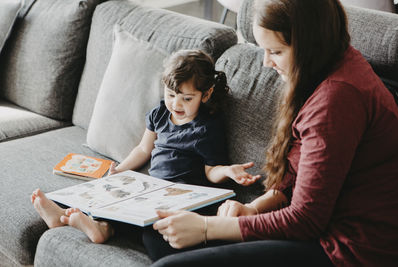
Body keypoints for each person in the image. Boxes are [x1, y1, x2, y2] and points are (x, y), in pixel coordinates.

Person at [146, 0, 398, 266]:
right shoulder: (328, 63)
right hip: (319, 230)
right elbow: (298, 173)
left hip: (348, 249)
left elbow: (306, 220)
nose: (266, 62)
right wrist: (253, 208)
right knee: (160, 234)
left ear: (309, 45)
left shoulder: (336, 98)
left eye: (275, 51)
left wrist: (208, 227)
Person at [31, 49, 261, 244]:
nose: (176, 104)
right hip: (151, 187)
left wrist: (228, 171)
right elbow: (143, 149)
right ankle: (63, 215)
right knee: (114, 195)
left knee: (151, 220)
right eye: (171, 95)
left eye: (187, 98)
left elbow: (211, 171)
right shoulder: (160, 114)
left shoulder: (206, 128)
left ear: (206, 94)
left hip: (183, 195)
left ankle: (103, 229)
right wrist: (121, 170)